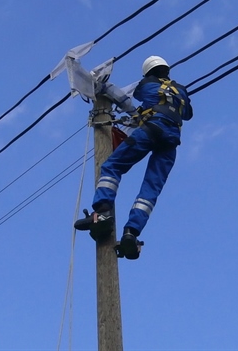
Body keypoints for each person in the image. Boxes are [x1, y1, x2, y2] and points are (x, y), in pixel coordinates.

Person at [75, 55, 193, 259]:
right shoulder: (181, 90)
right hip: (171, 140)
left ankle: (103, 214)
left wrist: (107, 90)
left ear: (147, 72)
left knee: (112, 166)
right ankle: (131, 234)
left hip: (151, 129)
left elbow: (134, 99)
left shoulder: (147, 83)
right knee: (150, 189)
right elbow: (188, 114)